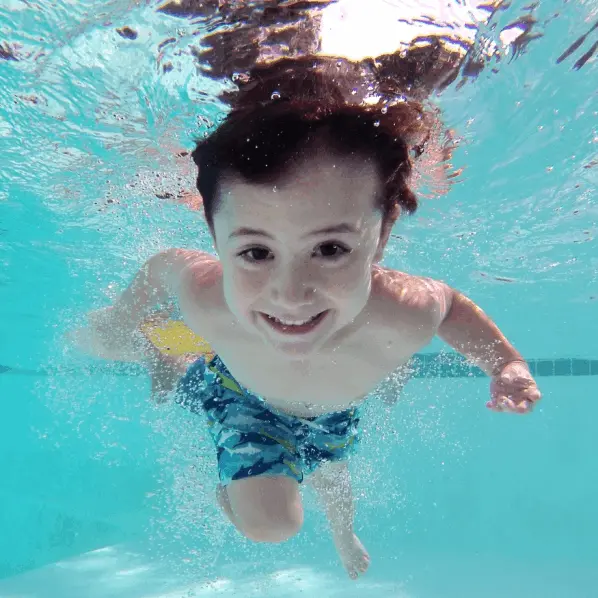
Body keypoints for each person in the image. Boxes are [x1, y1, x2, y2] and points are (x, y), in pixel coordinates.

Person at [71, 57, 541, 580]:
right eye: (255, 253)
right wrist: (118, 321)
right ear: (214, 234)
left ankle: (343, 536)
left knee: (333, 475)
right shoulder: (207, 297)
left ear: (382, 235)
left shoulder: (406, 308)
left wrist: (506, 365)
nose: (291, 295)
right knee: (271, 524)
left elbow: (452, 307)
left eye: (331, 248)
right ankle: (172, 355)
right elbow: (161, 269)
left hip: (334, 411)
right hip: (240, 400)